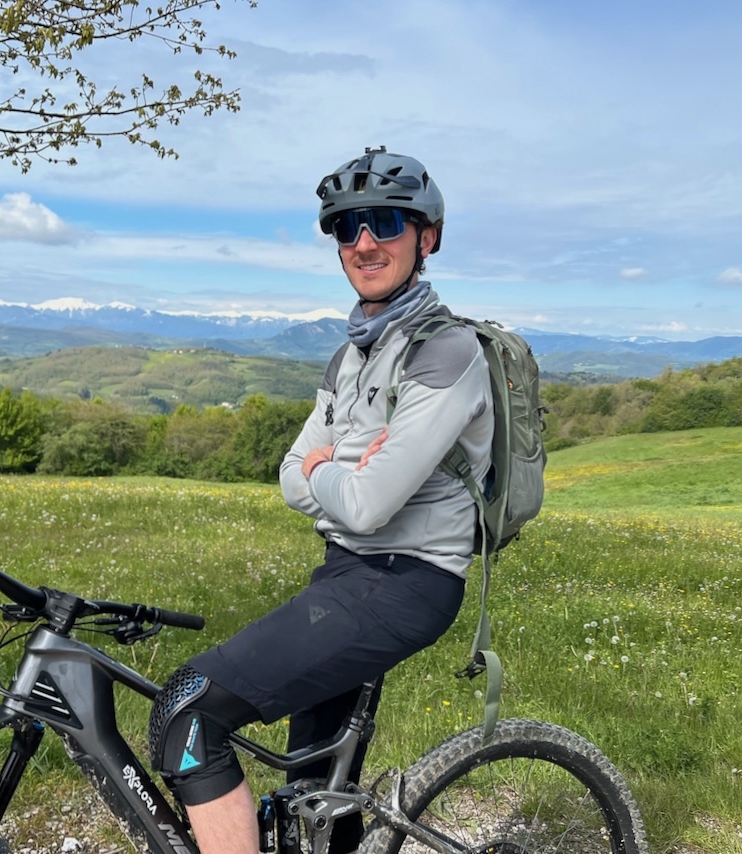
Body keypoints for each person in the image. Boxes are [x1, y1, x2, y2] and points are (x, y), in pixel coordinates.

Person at [147, 146, 493, 854]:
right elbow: (289, 474)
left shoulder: (446, 352)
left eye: (385, 222)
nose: (364, 242)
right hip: (346, 573)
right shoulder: (353, 353)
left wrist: (326, 469)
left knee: (189, 713)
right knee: (313, 790)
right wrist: (339, 471)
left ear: (427, 238)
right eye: (346, 226)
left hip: (405, 582)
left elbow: (364, 505)